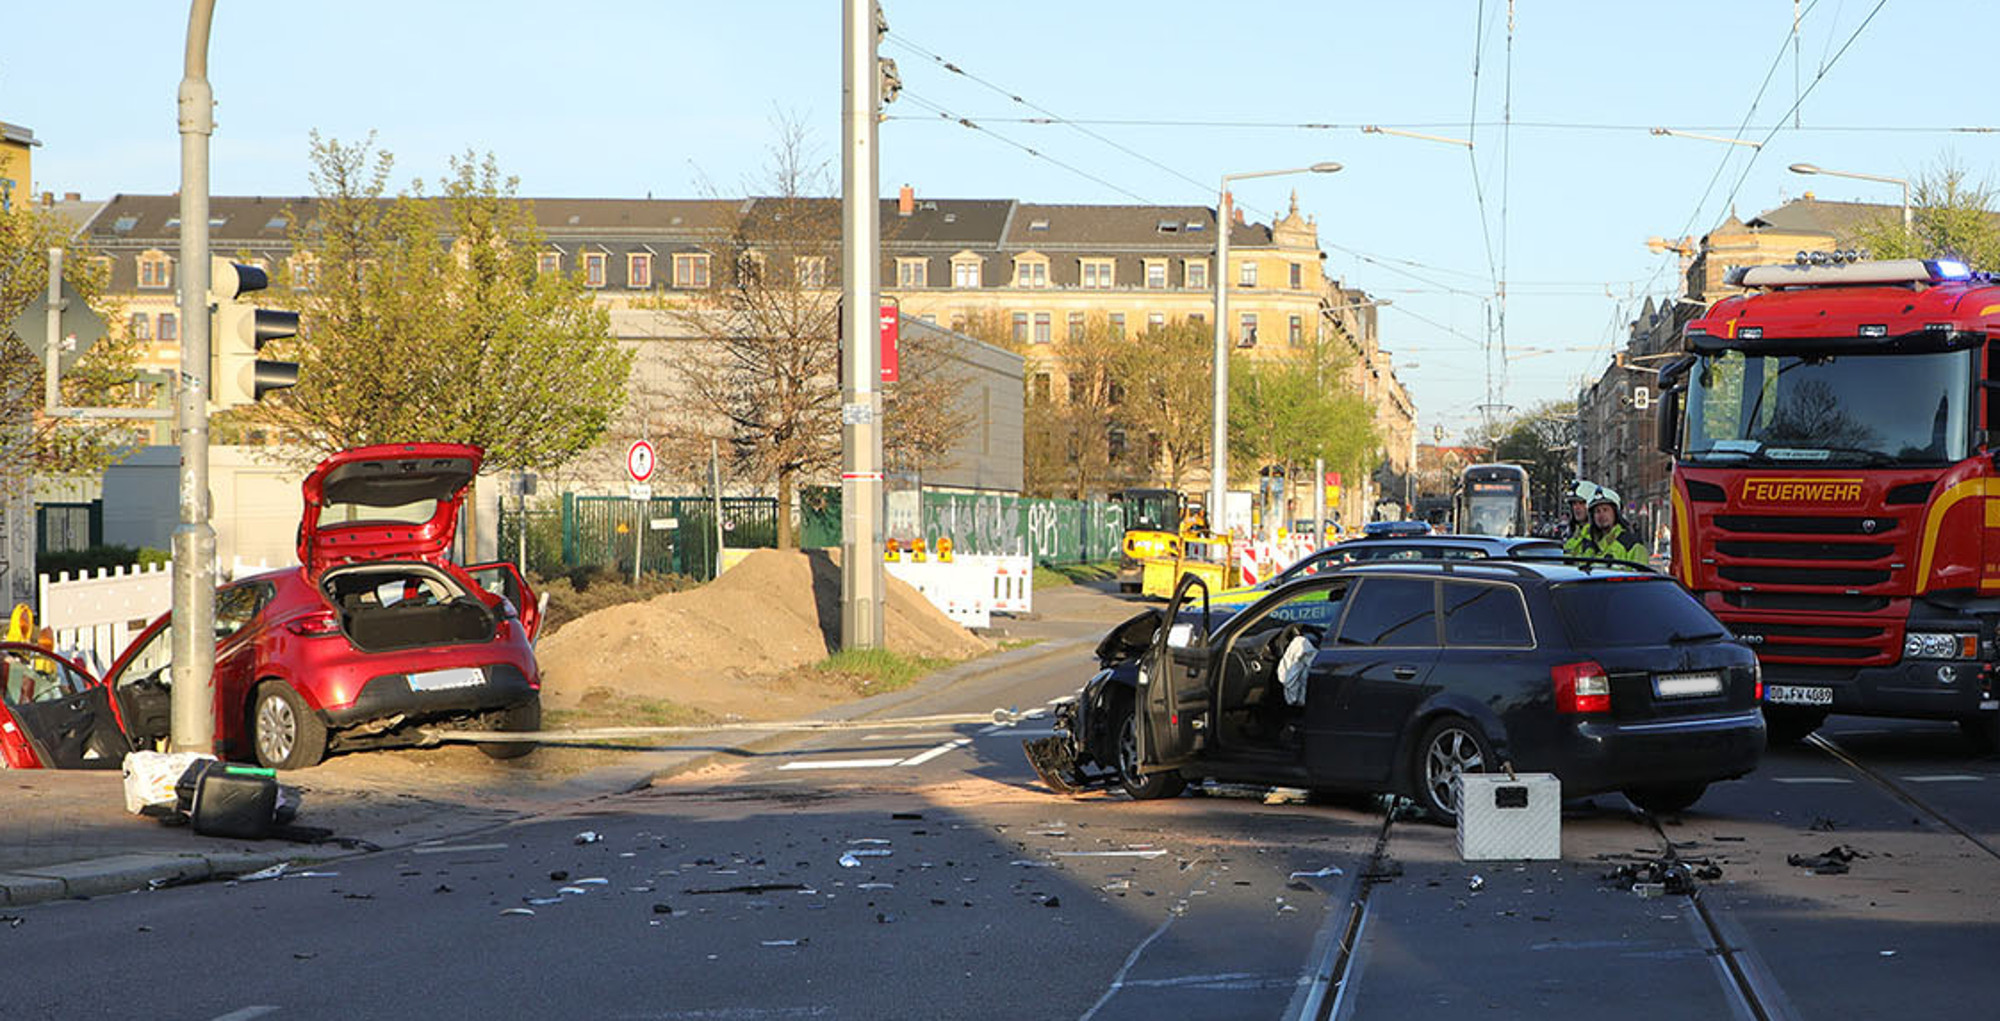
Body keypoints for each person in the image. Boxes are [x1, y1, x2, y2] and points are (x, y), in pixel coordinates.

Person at [1567, 486, 1648, 564]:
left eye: (1605, 510)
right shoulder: (1590, 547)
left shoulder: (1631, 546)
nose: (1601, 515)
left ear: (1616, 513)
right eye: (1597, 511)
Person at [1561, 480, 1598, 547]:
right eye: (1574, 503)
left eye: (1581, 503)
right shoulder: (1572, 533)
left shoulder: (1599, 535)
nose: (1576, 508)